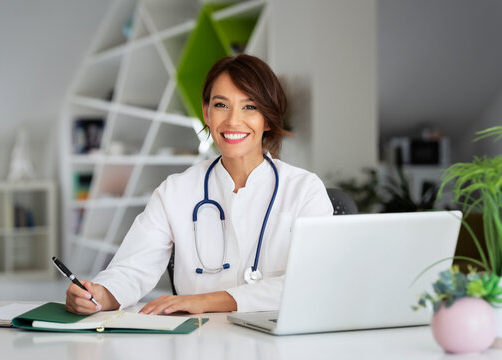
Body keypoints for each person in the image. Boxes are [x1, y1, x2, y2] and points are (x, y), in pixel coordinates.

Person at [66, 54, 334, 315]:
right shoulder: (176, 191)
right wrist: (98, 295)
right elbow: (131, 269)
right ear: (206, 113)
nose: (233, 120)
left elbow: (312, 280)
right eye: (221, 105)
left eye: (249, 107)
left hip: (277, 338)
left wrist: (206, 300)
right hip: (199, 338)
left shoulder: (305, 189)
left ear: (268, 117)